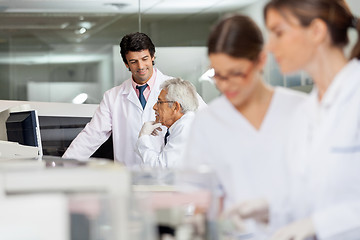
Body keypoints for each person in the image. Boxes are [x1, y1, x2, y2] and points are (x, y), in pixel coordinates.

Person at [229, 1, 360, 239]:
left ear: (317, 32)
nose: (269, 46)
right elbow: (308, 195)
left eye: (278, 33)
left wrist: (319, 225)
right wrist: (271, 207)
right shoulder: (305, 112)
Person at [182, 14, 307, 238]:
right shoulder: (208, 120)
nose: (226, 85)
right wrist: (198, 220)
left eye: (236, 73)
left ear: (261, 60)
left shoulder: (301, 111)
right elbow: (197, 190)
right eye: (218, 75)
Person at [63, 32, 205, 167]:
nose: (141, 66)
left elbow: (208, 121)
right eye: (134, 62)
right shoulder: (113, 97)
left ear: (153, 57)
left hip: (163, 178)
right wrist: (62, 166)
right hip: (128, 177)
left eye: (144, 59)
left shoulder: (176, 87)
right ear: (126, 64)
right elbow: (91, 136)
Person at [136, 78, 199, 168]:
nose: (154, 107)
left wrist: (143, 138)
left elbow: (161, 167)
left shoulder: (185, 127)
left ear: (175, 107)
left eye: (160, 102)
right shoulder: (182, 125)